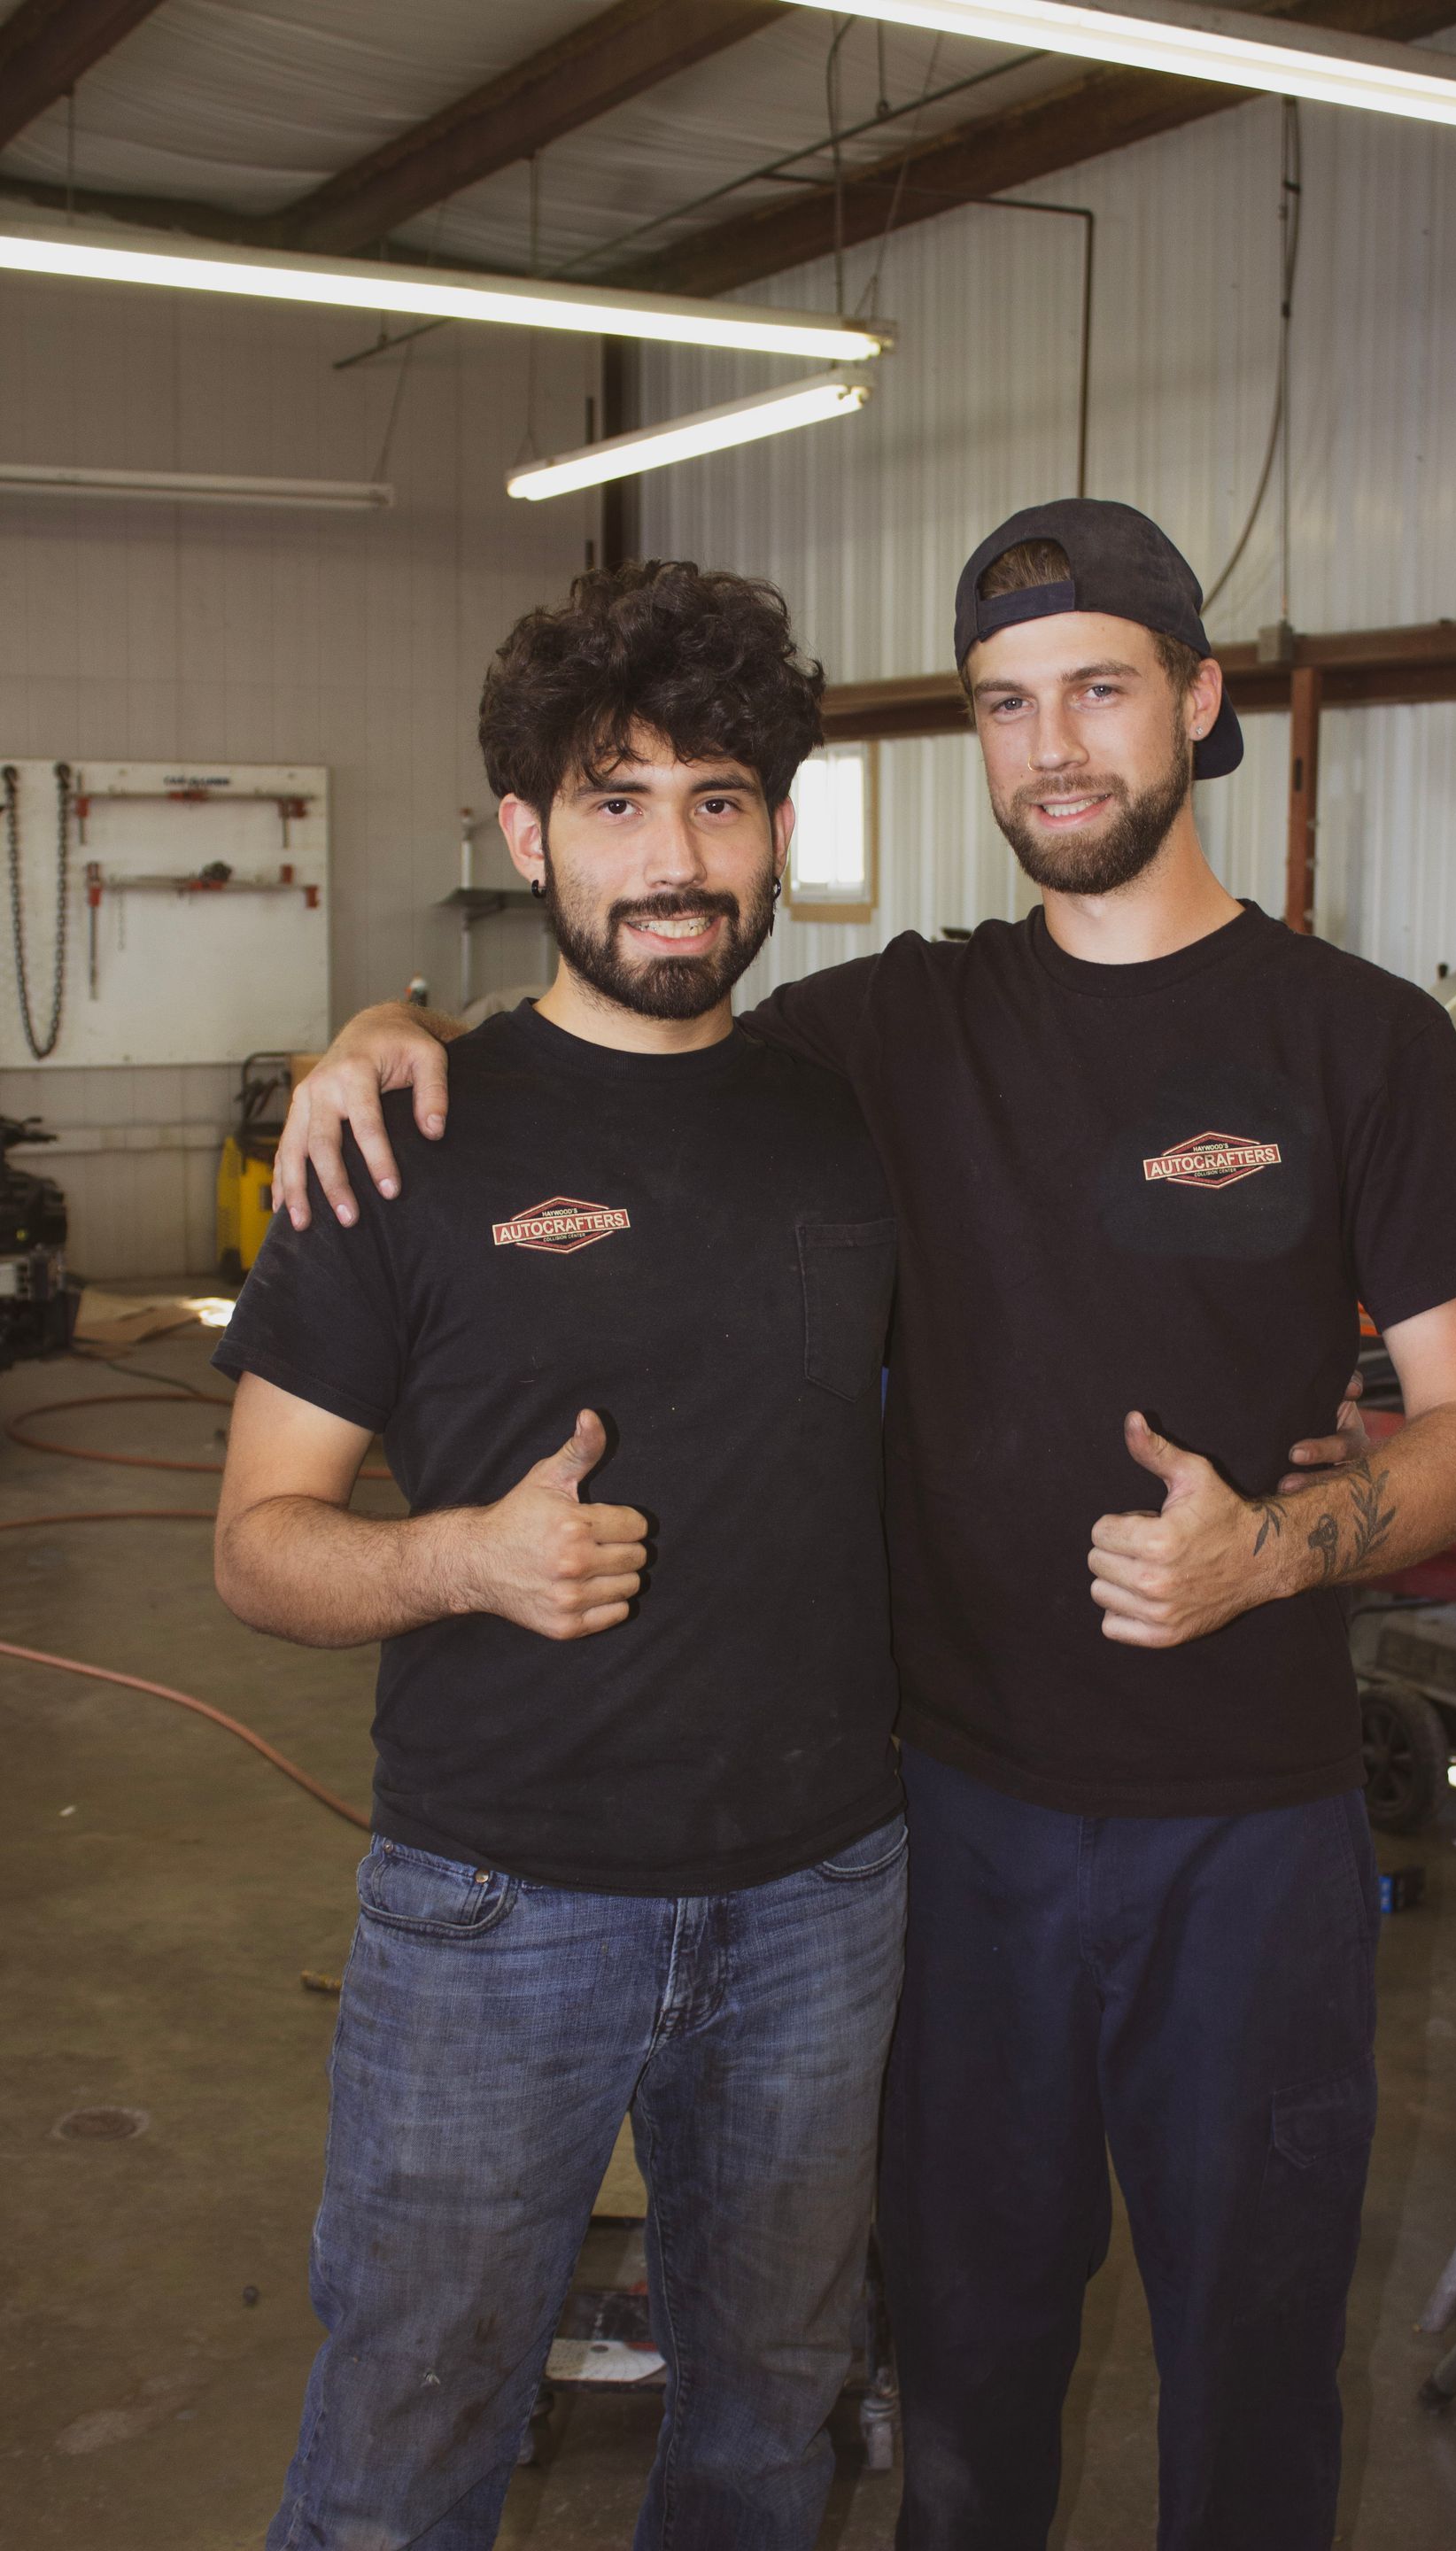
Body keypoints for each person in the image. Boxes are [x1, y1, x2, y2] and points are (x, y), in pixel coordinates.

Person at [275, 499, 1456, 2551]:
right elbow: (619, 1037)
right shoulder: (882, 1037)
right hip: (951, 1842)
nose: (1054, 747)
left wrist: (1271, 1553)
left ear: (1200, 707)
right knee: (960, 2366)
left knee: (1250, 2356)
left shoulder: (1362, 1039)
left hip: (1255, 1833)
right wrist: (383, 1028)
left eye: (1100, 691)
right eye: (1006, 705)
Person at [212, 562, 911, 2551]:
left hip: (819, 1898)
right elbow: (258, 1548)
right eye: (616, 804)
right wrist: (460, 1564)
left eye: (720, 798)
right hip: (492, 1910)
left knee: (773, 2422)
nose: (676, 859)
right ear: (525, 836)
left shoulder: (857, 1116)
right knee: (408, 2439)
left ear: (779, 826)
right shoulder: (402, 1131)